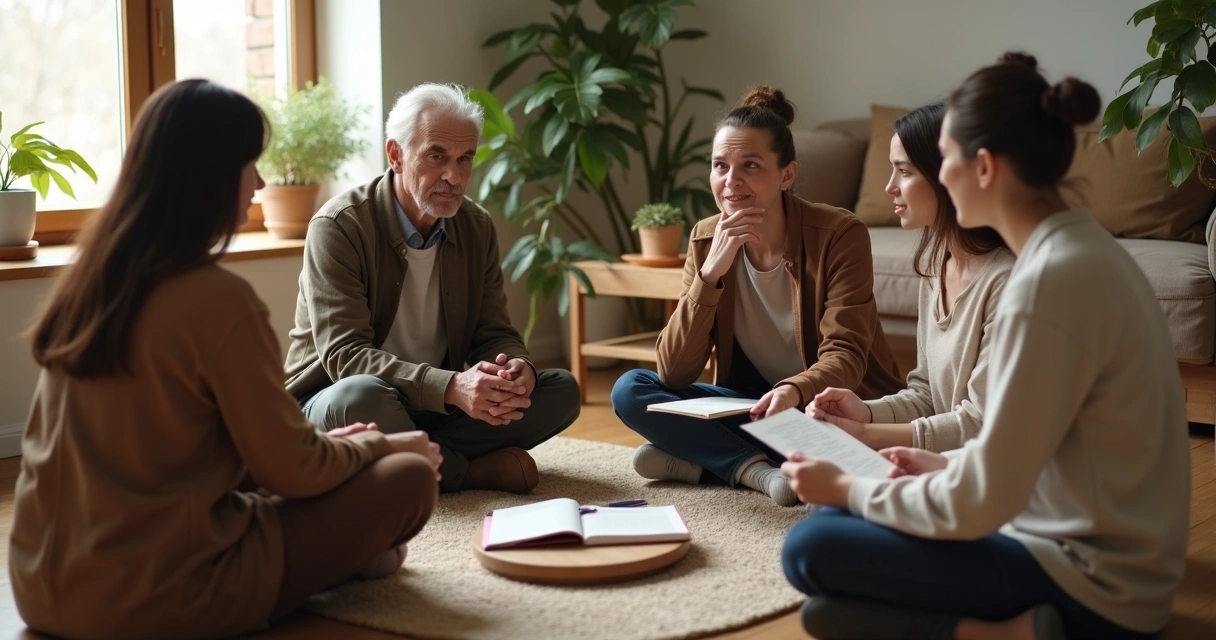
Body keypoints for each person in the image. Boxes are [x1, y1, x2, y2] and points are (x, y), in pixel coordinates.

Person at [9, 79, 443, 640]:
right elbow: (291, 471)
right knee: (408, 476)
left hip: (40, 589)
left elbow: (194, 453)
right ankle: (353, 551)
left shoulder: (89, 283)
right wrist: (376, 448)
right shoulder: (218, 300)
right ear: (209, 176)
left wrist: (337, 448)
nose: (259, 183)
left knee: (342, 464)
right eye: (249, 165)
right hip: (154, 596)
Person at [780, 53, 1189, 640]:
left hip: (1097, 586)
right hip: (1096, 558)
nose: (939, 175)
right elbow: (1026, 448)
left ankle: (1019, 633)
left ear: (985, 167)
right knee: (830, 568)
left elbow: (983, 501)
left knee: (812, 545)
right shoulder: (1084, 253)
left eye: (944, 158)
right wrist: (940, 464)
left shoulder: (1044, 284)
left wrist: (849, 486)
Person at [612, 86, 905, 507]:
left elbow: (847, 357)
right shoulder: (705, 239)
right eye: (720, 166)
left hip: (827, 408)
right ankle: (756, 472)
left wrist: (794, 391)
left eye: (750, 165)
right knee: (630, 389)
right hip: (756, 408)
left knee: (848, 447)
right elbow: (673, 372)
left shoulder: (839, 234)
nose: (731, 181)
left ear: (787, 175)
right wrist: (710, 275)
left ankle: (703, 462)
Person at [283, 83, 580, 494]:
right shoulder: (339, 226)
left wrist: (516, 370)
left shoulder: (476, 226)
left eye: (464, 159)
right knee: (362, 396)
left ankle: (413, 460)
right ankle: (466, 473)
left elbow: (493, 333)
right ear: (396, 155)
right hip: (336, 400)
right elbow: (345, 356)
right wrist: (452, 387)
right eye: (436, 156)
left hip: (434, 408)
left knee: (560, 390)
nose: (453, 177)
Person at [808, 103, 1014, 453]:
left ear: (946, 175)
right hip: (941, 461)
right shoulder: (935, 263)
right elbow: (926, 394)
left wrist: (865, 434)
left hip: (983, 471)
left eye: (904, 171)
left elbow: (981, 423)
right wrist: (865, 412)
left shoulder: (1005, 282)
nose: (890, 187)